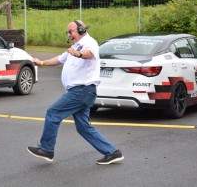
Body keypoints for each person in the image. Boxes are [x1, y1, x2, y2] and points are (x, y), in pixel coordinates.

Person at [27, 20, 124, 165]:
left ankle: (47, 149)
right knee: (83, 127)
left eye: (71, 31)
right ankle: (112, 152)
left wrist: (78, 53)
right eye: (67, 32)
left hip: (81, 91)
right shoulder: (75, 46)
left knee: (53, 113)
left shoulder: (89, 42)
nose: (68, 35)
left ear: (81, 29)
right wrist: (41, 63)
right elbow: (59, 59)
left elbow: (88, 54)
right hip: (81, 92)